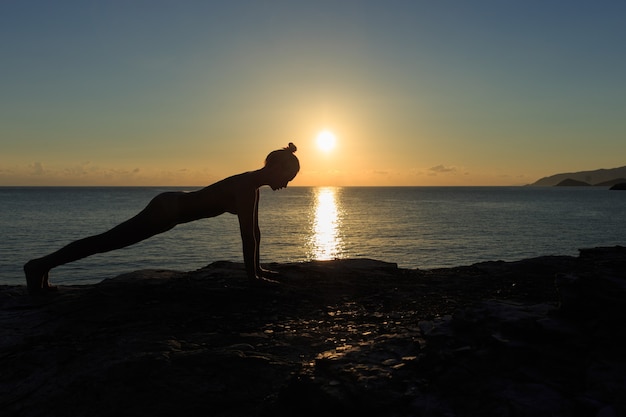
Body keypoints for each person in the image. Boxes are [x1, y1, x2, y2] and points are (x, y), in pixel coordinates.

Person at [24, 143, 300, 294]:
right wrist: (253, 278)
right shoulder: (246, 187)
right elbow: (247, 236)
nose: (285, 185)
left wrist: (259, 270)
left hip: (172, 208)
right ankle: (39, 266)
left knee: (107, 241)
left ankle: (43, 267)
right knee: (107, 242)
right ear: (275, 167)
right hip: (169, 209)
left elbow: (255, 231)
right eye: (287, 178)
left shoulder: (251, 186)